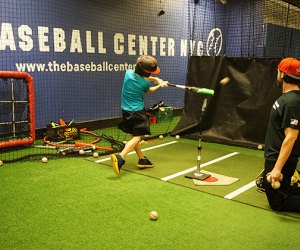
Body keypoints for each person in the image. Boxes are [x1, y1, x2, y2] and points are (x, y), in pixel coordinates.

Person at [110, 55, 167, 176]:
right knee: (138, 137)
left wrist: (156, 79)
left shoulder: (128, 73)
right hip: (137, 112)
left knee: (134, 135)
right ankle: (120, 157)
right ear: (145, 72)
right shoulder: (144, 84)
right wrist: (160, 85)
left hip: (126, 110)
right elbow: (148, 91)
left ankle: (142, 159)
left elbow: (144, 78)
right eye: (150, 72)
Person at [263, 57, 300, 212]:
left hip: (280, 158)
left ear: (282, 74)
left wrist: (277, 169)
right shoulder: (289, 99)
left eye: (278, 71)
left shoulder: (292, 102)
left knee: (277, 202)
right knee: (275, 189)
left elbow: (291, 137)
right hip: (277, 156)